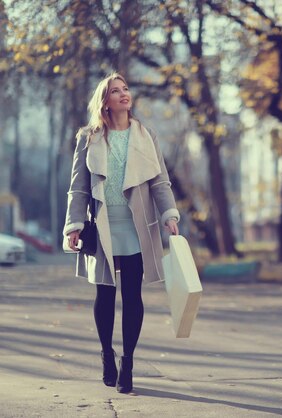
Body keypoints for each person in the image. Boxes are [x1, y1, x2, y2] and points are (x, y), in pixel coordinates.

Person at [63, 72, 180, 394]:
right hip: (102, 227)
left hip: (136, 226)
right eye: (116, 90)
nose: (124, 94)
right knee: (104, 294)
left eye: (126, 88)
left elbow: (160, 182)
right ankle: (106, 356)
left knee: (132, 295)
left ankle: (128, 362)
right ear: (105, 101)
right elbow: (78, 187)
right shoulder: (89, 137)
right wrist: (73, 225)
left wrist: (169, 214)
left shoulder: (146, 135)